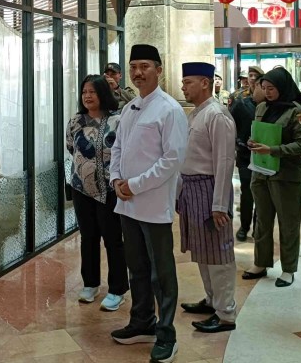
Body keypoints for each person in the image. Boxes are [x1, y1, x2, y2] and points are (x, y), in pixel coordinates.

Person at [109, 44, 188, 363]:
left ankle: (166, 334)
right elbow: (118, 148)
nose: (138, 72)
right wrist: (116, 179)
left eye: (144, 66)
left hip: (153, 205)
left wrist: (135, 184)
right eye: (133, 67)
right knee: (137, 267)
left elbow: (172, 160)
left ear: (159, 69)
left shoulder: (169, 109)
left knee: (161, 274)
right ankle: (142, 322)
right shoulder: (130, 108)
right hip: (127, 204)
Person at [178, 62, 238, 333]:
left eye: (188, 82)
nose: (183, 87)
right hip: (192, 190)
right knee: (203, 251)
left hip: (210, 189)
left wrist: (219, 204)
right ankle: (212, 300)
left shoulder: (217, 114)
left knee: (218, 253)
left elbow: (224, 162)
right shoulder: (195, 114)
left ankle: (226, 313)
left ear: (205, 83)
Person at [65, 74, 129, 311]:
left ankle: (117, 289)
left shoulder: (118, 121)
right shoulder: (76, 121)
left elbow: (123, 152)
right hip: (81, 189)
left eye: (92, 91)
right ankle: (90, 284)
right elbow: (71, 148)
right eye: (84, 92)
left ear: (103, 93)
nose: (88, 96)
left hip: (109, 189)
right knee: (88, 237)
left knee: (113, 239)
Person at [242, 67, 301, 288]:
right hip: (261, 172)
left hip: (286, 176)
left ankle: (288, 268)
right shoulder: (261, 107)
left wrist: (272, 150)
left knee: (288, 223)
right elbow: (257, 132)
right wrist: (252, 142)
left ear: (282, 88)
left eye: (272, 88)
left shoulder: (296, 111)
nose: (267, 92)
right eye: (264, 88)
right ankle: (260, 262)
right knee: (262, 220)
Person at [229, 80, 264, 242]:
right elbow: (231, 124)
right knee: (247, 192)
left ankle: (258, 227)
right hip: (245, 156)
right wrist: (238, 142)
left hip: (264, 157)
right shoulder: (241, 104)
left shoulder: (271, 106)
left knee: (262, 195)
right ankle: (244, 227)